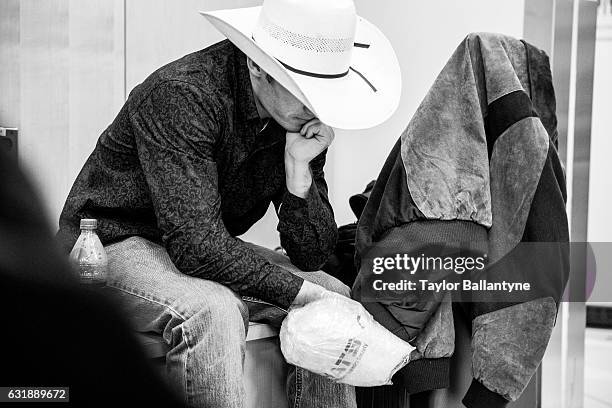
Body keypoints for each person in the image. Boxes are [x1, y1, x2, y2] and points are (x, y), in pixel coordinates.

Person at [56, 0, 401, 406]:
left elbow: (312, 254)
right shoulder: (183, 96)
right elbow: (196, 247)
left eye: (323, 93)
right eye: (304, 90)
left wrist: (298, 170)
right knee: (214, 311)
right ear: (257, 65)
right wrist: (301, 295)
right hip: (109, 244)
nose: (317, 108)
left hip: (194, 246)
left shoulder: (296, 120)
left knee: (334, 294)